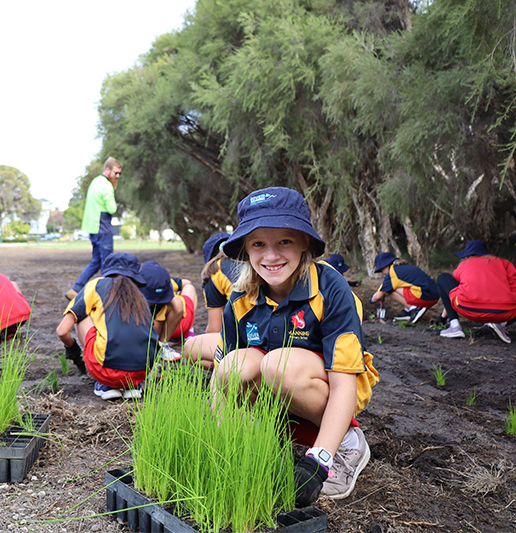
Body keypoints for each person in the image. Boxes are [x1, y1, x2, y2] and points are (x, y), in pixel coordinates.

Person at [211, 187, 379, 506]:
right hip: (281, 403)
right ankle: (271, 438)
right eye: (258, 243)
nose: (271, 256)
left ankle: (345, 443)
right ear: (246, 249)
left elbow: (344, 383)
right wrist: (219, 439)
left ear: (304, 242)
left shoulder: (331, 288)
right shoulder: (239, 299)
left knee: (278, 365)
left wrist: (319, 460)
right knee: (236, 365)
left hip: (328, 394)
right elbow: (222, 377)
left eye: (284, 241)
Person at [56, 252, 159, 400]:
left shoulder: (97, 285)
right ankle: (133, 386)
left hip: (107, 372)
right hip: (141, 372)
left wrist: (73, 351)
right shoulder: (140, 295)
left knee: (81, 315)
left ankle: (106, 385)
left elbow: (62, 331)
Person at [435, 240, 516, 342]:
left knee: (443, 277)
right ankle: (499, 323)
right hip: (504, 312)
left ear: (467, 256)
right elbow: (513, 291)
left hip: (467, 309)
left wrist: (443, 317)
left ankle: (454, 325)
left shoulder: (464, 264)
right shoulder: (505, 264)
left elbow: (453, 290)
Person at [65, 157, 122, 300]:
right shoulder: (106, 185)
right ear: (107, 169)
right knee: (107, 264)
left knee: (96, 261)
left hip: (93, 228)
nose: (117, 176)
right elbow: (111, 208)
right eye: (116, 173)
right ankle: (106, 297)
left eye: (119, 174)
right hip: (102, 228)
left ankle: (75, 290)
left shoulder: (95, 181)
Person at [183, 232, 238, 369]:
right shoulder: (254, 262)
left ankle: (226, 369)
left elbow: (214, 328)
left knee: (191, 349)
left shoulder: (215, 272)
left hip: (244, 340)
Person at [138, 260, 198, 362]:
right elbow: (187, 284)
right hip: (165, 327)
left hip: (169, 326)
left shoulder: (166, 283)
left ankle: (161, 345)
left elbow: (186, 283)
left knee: (175, 302)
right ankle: (161, 345)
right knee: (187, 291)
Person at [370, 253, 439, 324]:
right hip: (433, 296)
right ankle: (408, 310)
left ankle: (414, 308)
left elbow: (378, 296)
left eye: (381, 270)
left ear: (386, 266)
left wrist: (371, 300)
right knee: (399, 285)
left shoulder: (393, 273)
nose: (383, 273)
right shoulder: (402, 267)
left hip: (424, 296)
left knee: (389, 290)